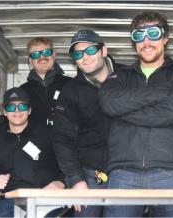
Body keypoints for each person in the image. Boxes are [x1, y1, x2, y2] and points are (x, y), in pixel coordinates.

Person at [98, 12, 173, 217]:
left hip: (171, 172)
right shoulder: (119, 76)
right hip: (122, 173)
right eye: (139, 36)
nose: (146, 41)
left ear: (165, 38)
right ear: (133, 42)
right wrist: (158, 94)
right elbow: (108, 103)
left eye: (153, 33)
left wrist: (125, 112)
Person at [52, 30, 122, 217]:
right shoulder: (70, 92)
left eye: (90, 50)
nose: (85, 57)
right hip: (90, 172)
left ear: (103, 51)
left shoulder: (129, 78)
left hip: (127, 171)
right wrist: (76, 180)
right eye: (78, 54)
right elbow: (62, 138)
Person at [0, 87, 67, 217]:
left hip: (45, 200)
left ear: (29, 110)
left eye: (22, 106)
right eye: (11, 107)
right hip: (11, 202)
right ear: (4, 111)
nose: (16, 111)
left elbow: (69, 164)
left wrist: (61, 182)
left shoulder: (48, 135)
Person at [0, 37, 72, 138]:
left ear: (54, 54)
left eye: (46, 52)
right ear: (30, 60)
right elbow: (10, 119)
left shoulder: (71, 85)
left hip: (69, 147)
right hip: (37, 147)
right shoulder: (23, 91)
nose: (42, 57)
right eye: (35, 54)